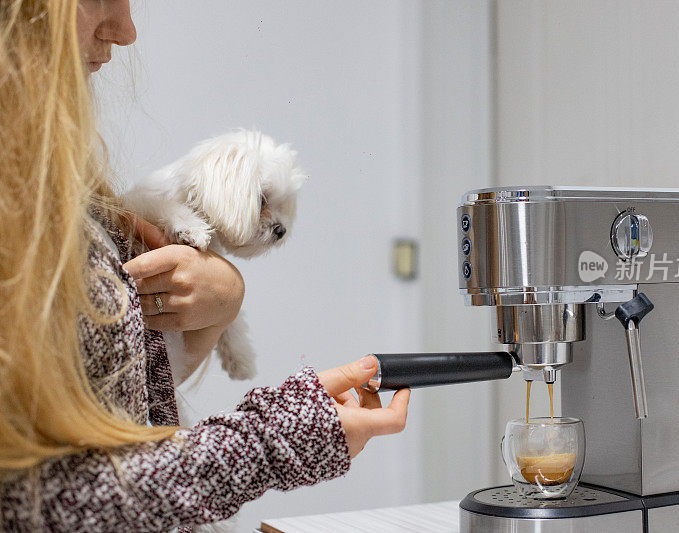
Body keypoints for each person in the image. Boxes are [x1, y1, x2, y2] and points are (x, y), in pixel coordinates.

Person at [0, 1, 410, 531]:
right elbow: (42, 505)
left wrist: (223, 301)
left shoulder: (67, 204)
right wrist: (275, 440)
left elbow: (125, 409)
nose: (126, 31)